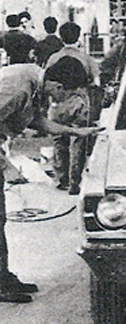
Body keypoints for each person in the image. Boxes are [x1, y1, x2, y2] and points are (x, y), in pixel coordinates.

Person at [0, 63, 102, 303]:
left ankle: (2, 277)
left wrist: (75, 132)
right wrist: (6, 166)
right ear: (57, 85)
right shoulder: (19, 89)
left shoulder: (36, 81)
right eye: (67, 94)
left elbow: (35, 120)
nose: (63, 101)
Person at [44, 22, 101, 195]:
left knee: (59, 140)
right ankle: (75, 181)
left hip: (58, 103)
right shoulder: (86, 58)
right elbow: (97, 82)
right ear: (78, 36)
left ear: (61, 37)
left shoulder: (53, 58)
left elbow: (45, 80)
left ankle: (62, 179)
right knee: (78, 141)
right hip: (79, 101)